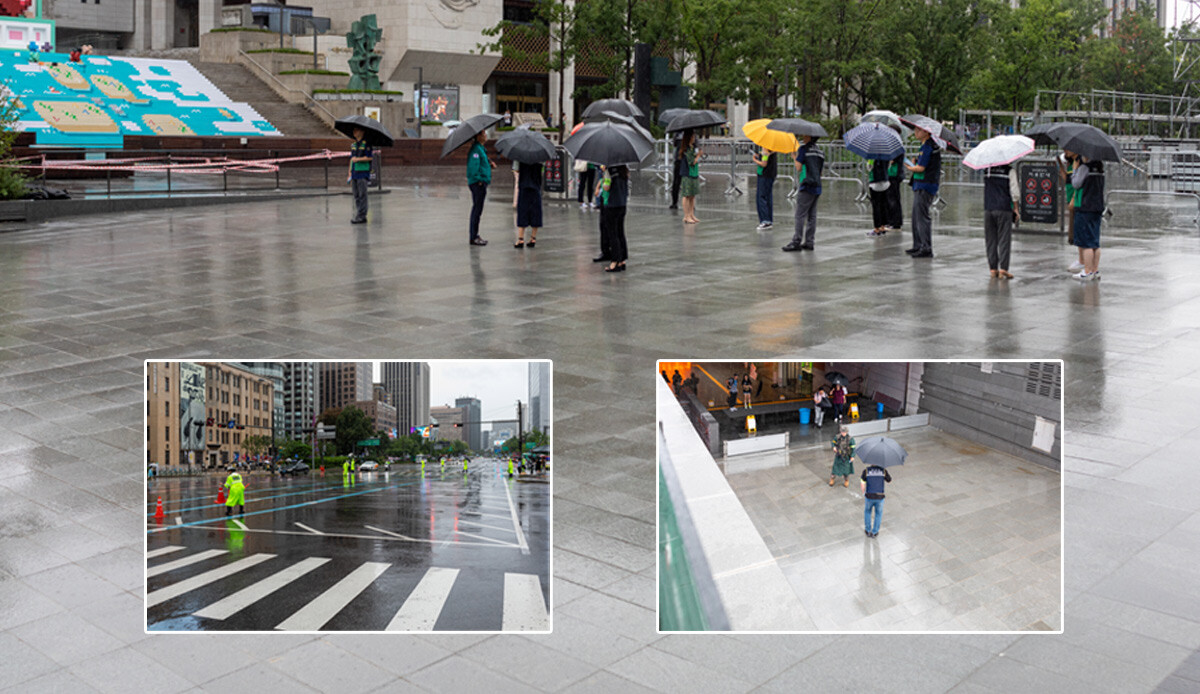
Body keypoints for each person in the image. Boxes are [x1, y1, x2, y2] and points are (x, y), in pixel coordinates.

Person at [782, 135, 824, 251]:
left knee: (800, 215)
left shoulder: (803, 149)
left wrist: (794, 157)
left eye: (805, 135)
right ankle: (810, 241)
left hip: (806, 185)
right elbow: (820, 172)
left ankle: (796, 241)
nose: (803, 137)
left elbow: (799, 167)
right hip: (817, 186)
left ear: (810, 137)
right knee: (812, 215)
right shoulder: (820, 152)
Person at [905, 126, 941, 258]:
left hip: (925, 184)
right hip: (921, 183)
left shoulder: (928, 147)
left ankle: (925, 247)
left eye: (918, 130)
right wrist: (915, 162)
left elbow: (921, 168)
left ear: (926, 132)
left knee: (921, 216)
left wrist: (910, 166)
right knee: (916, 216)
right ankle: (918, 245)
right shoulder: (925, 146)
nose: (915, 133)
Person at [1071, 153, 1104, 280]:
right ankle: (1095, 271)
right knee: (1095, 241)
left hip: (1085, 207)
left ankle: (1087, 271)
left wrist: (1075, 170)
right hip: (1097, 207)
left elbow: (1076, 184)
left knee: (1086, 243)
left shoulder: (1085, 168)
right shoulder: (1100, 167)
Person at [983, 163, 1019, 279]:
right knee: (1004, 239)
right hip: (1004, 208)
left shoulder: (987, 170)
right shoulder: (1009, 171)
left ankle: (993, 269)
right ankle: (1003, 268)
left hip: (988, 208)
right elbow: (1015, 192)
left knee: (991, 240)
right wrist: (1016, 209)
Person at [466, 130, 493, 246]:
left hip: (482, 182)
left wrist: (490, 163)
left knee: (478, 210)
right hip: (478, 184)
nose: (486, 135)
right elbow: (473, 167)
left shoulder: (481, 149)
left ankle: (475, 235)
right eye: (484, 134)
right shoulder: (475, 150)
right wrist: (479, 180)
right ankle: (473, 236)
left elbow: (482, 162)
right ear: (478, 136)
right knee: (476, 210)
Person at [601, 165, 629, 273]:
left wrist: (604, 176)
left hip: (612, 205)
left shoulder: (609, 171)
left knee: (613, 234)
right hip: (622, 205)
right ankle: (622, 260)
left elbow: (606, 187)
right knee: (620, 232)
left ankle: (615, 262)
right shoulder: (624, 170)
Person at [1059, 151, 1081, 272]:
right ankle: (1081, 259)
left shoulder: (1077, 163)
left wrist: (1073, 199)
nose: (1065, 151)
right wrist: (1060, 165)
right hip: (1071, 200)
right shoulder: (1070, 164)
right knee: (1074, 231)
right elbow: (1067, 179)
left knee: (1077, 230)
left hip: (1075, 201)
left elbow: (1076, 184)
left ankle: (1082, 261)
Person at [515, 160, 543, 248]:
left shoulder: (520, 156)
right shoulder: (540, 157)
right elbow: (542, 171)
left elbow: (516, 169)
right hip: (535, 187)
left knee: (522, 211)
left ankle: (520, 239)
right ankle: (533, 238)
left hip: (524, 187)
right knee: (536, 212)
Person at [347, 127, 373, 224]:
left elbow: (369, 157)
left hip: (362, 173)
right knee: (356, 195)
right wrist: (349, 171)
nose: (354, 132)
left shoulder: (366, 144)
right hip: (354, 173)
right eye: (354, 130)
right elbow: (351, 159)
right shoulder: (353, 145)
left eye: (357, 130)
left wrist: (358, 159)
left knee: (362, 195)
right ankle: (359, 213)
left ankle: (362, 215)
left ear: (362, 132)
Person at [861, 462, 892, 537]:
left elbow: (862, 483)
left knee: (867, 512)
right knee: (878, 513)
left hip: (869, 496)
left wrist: (863, 492)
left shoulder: (866, 471)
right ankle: (875, 532)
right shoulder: (883, 471)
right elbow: (889, 480)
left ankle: (868, 530)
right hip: (880, 497)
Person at [679, 132, 701, 224]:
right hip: (687, 173)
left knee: (692, 195)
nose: (694, 138)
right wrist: (698, 156)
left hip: (694, 173)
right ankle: (686, 215)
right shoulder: (686, 149)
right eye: (692, 136)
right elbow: (691, 161)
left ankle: (691, 214)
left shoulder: (692, 147)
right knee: (686, 195)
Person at [752, 147, 777, 230]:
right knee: (768, 197)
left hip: (765, 174)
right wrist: (760, 155)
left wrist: (755, 160)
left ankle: (765, 220)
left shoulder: (766, 148)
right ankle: (769, 219)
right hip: (771, 174)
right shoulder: (773, 148)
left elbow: (764, 163)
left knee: (761, 197)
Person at [866, 156, 890, 236]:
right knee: (884, 205)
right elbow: (888, 166)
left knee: (876, 206)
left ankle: (877, 228)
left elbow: (869, 168)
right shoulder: (887, 155)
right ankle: (883, 226)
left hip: (875, 182)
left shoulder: (872, 157)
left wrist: (868, 162)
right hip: (885, 181)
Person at [885, 152, 904, 231]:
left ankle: (895, 222)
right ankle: (890, 221)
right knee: (889, 199)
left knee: (893, 199)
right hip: (890, 174)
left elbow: (891, 160)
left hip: (894, 175)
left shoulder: (896, 148)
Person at [669, 131, 685, 210]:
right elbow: (674, 143)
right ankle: (674, 202)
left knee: (685, 182)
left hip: (686, 160)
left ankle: (689, 203)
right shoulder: (677, 133)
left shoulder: (690, 132)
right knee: (676, 182)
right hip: (679, 160)